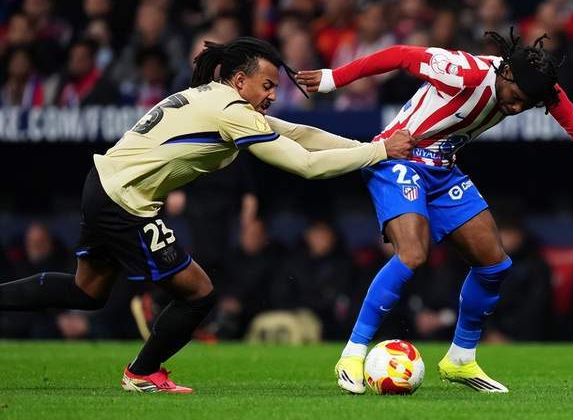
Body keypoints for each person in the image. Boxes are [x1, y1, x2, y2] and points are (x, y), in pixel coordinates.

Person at [0, 37, 414, 394]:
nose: (273, 95)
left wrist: (368, 147)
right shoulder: (231, 111)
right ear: (240, 80)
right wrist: (379, 152)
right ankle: (142, 373)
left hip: (104, 184)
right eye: (268, 85)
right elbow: (306, 165)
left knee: (87, 291)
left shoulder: (215, 98)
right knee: (198, 293)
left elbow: (300, 134)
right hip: (125, 200)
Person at [297, 27, 573, 394]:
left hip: (443, 170)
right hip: (398, 157)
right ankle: (352, 354)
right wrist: (334, 79)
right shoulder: (464, 72)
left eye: (526, 105)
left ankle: (460, 359)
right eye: (516, 98)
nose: (516, 108)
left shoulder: (528, 85)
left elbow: (556, 97)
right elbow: (400, 54)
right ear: (507, 73)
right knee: (413, 253)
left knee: (494, 264)